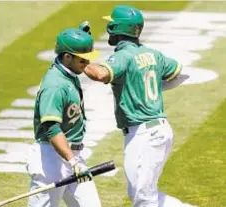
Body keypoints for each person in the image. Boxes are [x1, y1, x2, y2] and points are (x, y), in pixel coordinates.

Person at [83, 5, 183, 207]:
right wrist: (150, 88)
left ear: (116, 28)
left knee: (143, 197)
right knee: (140, 192)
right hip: (159, 130)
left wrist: (81, 58)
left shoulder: (123, 55)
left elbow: (101, 74)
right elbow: (178, 73)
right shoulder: (153, 54)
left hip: (143, 135)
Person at [26, 26, 101, 207]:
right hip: (51, 159)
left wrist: (82, 36)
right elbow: (51, 129)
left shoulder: (68, 71)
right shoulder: (55, 86)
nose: (87, 64)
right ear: (67, 57)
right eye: (83, 60)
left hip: (71, 156)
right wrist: (72, 160)